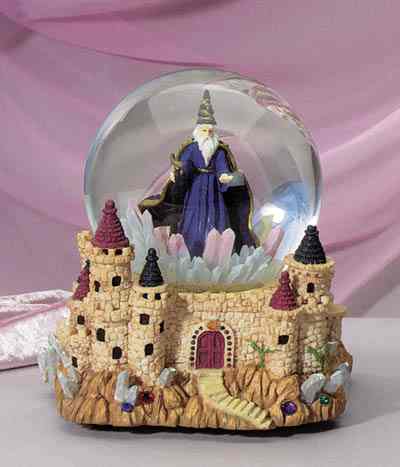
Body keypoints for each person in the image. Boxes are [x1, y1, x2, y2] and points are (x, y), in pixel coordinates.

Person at [139, 90, 257, 257]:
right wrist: (177, 172)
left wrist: (226, 176)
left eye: (210, 131)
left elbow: (222, 168)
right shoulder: (192, 148)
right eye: (204, 130)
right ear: (198, 130)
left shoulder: (219, 150)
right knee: (193, 216)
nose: (208, 134)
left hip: (214, 190)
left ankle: (219, 249)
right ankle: (191, 247)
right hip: (195, 187)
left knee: (216, 216)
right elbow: (185, 165)